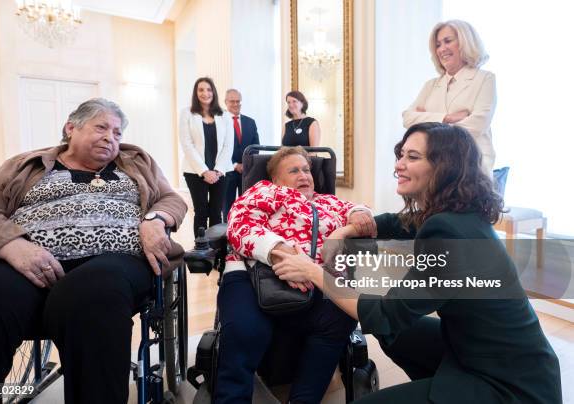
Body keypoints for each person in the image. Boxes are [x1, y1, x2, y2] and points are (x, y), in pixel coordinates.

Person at [272, 123, 561, 403]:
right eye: (401, 155)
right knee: (394, 336)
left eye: (412, 157)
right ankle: (435, 388)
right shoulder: (455, 213)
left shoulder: (447, 232)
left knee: (386, 325)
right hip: (492, 353)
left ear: (444, 166)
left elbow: (384, 313)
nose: (398, 165)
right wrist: (345, 230)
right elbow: (397, 223)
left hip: (508, 385)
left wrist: (312, 270)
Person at [0, 98, 188, 403]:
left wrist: (154, 219)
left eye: (118, 133)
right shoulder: (25, 165)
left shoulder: (136, 163)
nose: (112, 137)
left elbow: (171, 200)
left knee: (95, 290)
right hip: (26, 263)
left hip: (114, 264)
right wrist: (12, 246)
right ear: (71, 128)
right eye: (101, 127)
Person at [215, 146, 375, 403]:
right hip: (252, 276)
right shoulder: (265, 191)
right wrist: (282, 254)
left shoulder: (329, 202)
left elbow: (363, 213)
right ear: (275, 179)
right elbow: (240, 223)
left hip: (315, 280)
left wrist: (358, 213)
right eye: (294, 170)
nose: (304, 175)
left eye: (307, 170)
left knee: (340, 318)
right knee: (246, 330)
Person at [402, 20, 496, 177]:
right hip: (434, 168)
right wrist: (447, 118)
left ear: (465, 42)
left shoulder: (485, 79)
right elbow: (407, 118)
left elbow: (478, 125)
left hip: (472, 169)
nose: (441, 49)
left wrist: (427, 122)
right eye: (438, 44)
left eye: (448, 41)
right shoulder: (430, 85)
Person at [179, 77, 233, 238]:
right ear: (196, 93)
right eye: (201, 90)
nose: (205, 93)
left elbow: (228, 146)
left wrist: (217, 170)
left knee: (217, 212)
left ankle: (217, 252)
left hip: (221, 172)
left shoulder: (224, 115)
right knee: (201, 211)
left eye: (208, 89)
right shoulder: (187, 113)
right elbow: (187, 144)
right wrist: (204, 171)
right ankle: (201, 252)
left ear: (214, 92)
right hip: (194, 172)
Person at [222, 88, 260, 222]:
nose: (236, 104)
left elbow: (256, 147)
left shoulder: (250, 122)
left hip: (246, 172)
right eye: (232, 101)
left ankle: (244, 231)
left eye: (238, 101)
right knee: (227, 206)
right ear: (225, 102)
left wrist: (245, 164)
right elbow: (219, 148)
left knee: (247, 205)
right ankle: (227, 234)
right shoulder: (219, 122)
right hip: (227, 172)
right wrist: (234, 165)